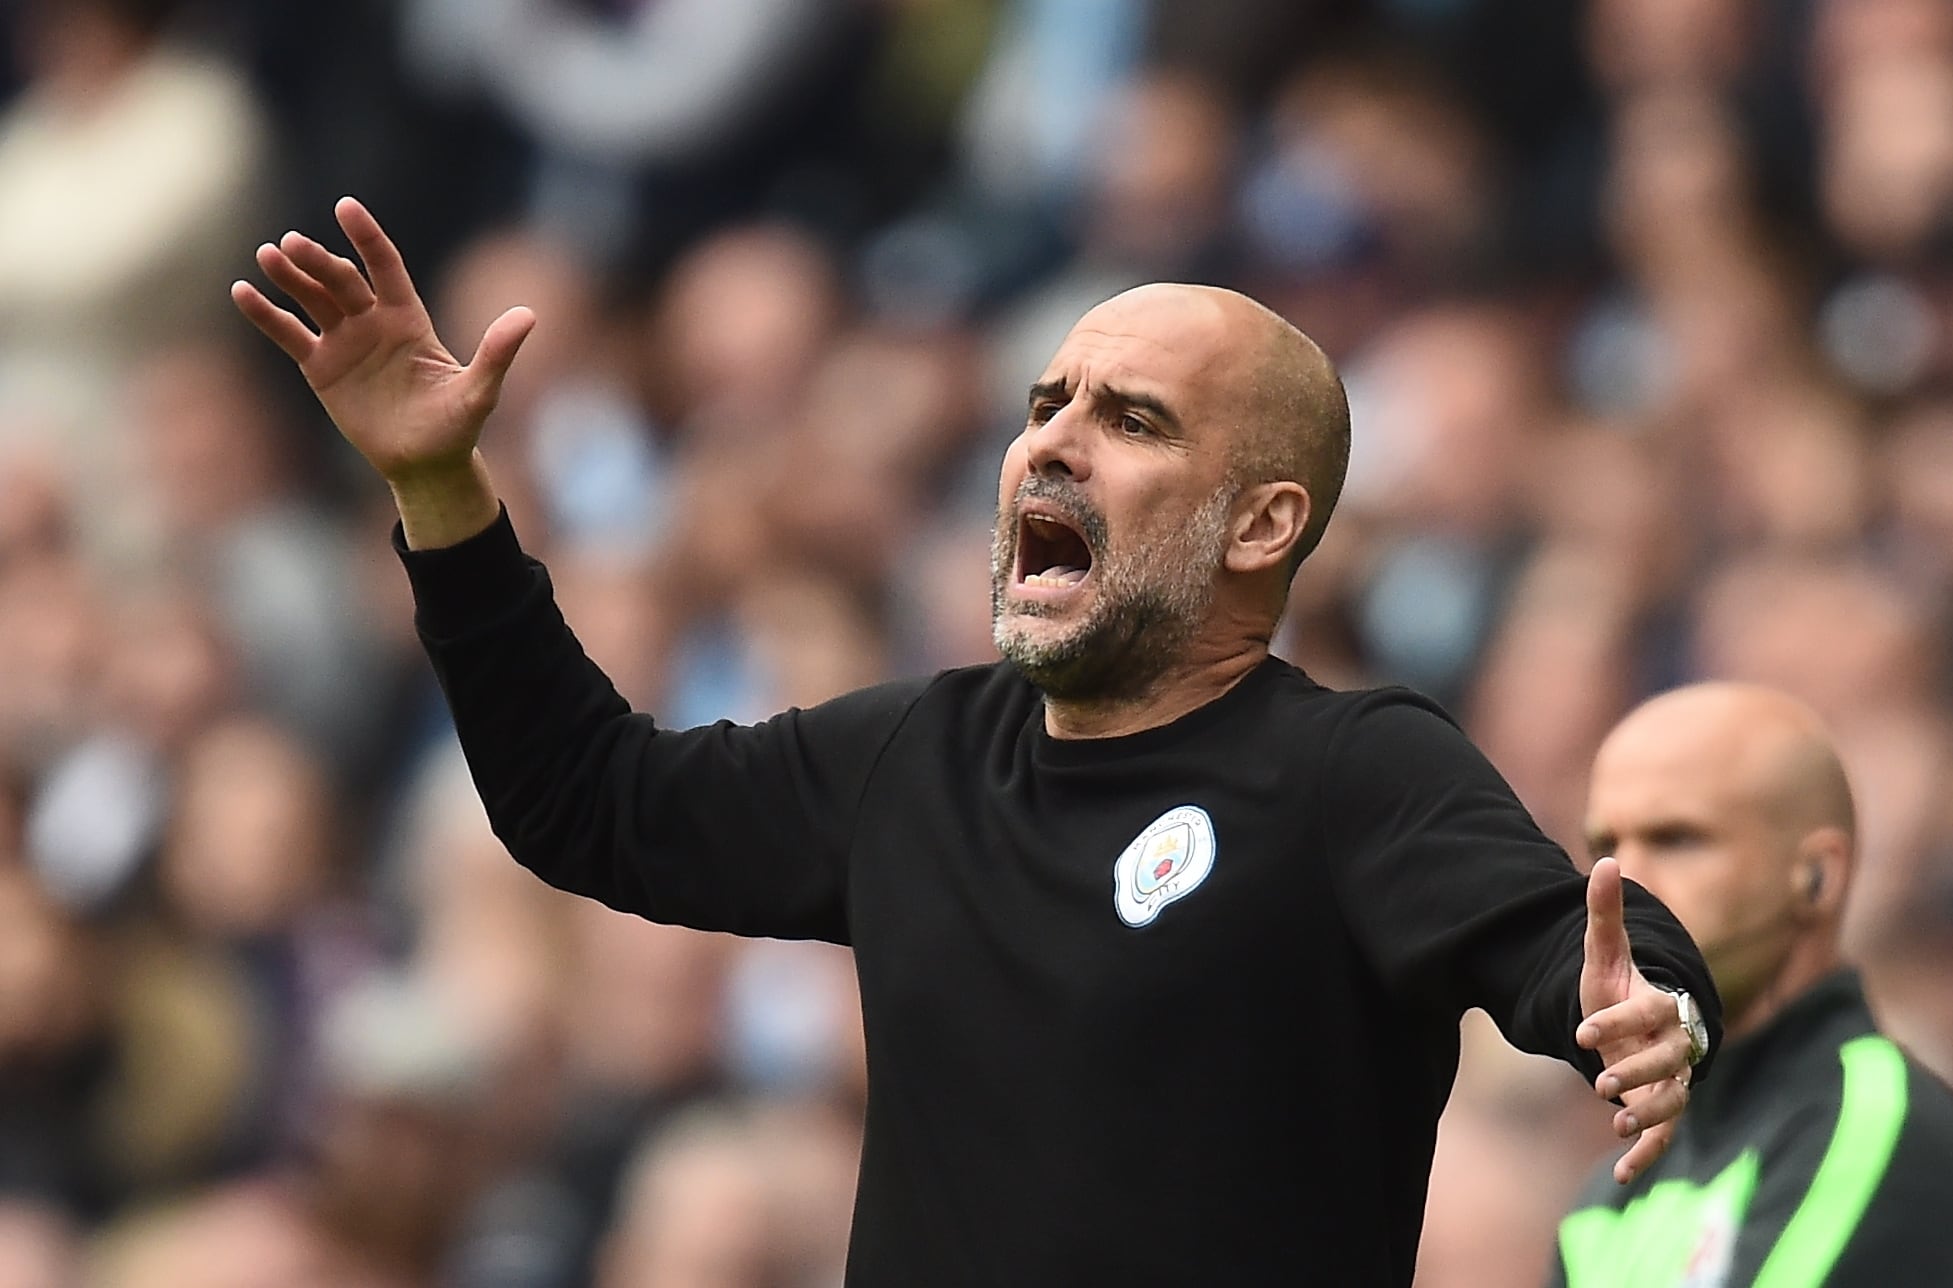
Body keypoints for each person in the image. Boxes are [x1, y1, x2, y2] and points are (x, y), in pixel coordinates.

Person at [233, 198, 1720, 1286]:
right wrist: (439, 488)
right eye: (1042, 403)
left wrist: (1649, 1004)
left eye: (1130, 419)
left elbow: (1576, 946)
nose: (1053, 441)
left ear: (1261, 525)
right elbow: (589, 802)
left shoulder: (1349, 772)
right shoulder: (916, 758)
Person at [1553, 683, 1953, 1287]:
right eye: (1604, 846)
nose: (1623, 883)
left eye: (1677, 838)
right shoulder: (1603, 1207)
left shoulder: (1878, 1127)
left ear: (1818, 876)